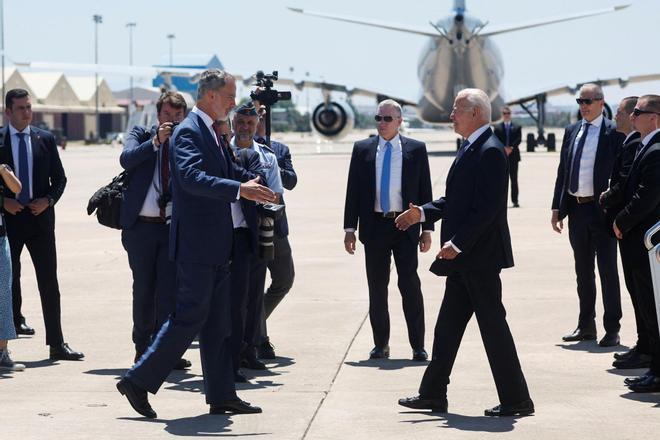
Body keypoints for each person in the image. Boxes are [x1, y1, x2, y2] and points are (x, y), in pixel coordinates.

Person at [116, 69, 276, 418]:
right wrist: (238, 189)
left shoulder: (213, 131)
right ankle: (138, 380)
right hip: (197, 245)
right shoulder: (189, 131)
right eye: (231, 95)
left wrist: (252, 181)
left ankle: (222, 394)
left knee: (220, 324)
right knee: (188, 318)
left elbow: (224, 170)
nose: (235, 102)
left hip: (218, 244)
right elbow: (191, 178)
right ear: (211, 96)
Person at [396, 88, 533, 417]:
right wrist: (423, 212)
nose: (451, 116)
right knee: (447, 328)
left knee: (493, 327)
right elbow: (456, 202)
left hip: (478, 258)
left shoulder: (490, 151)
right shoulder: (472, 147)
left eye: (457, 110)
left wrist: (457, 244)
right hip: (464, 259)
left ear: (475, 113)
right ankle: (432, 394)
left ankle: (517, 401)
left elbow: (486, 210)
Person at [343, 99, 433, 361]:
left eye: (387, 119)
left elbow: (425, 189)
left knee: (409, 285)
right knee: (377, 287)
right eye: (378, 119)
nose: (382, 124)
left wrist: (427, 229)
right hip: (374, 226)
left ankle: (418, 344)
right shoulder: (363, 149)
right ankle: (380, 344)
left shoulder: (416, 150)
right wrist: (350, 228)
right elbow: (353, 192)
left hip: (405, 225)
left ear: (399, 121)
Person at [0, 88, 83, 361]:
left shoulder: (45, 139)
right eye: (21, 108)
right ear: (8, 112)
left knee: (49, 282)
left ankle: (57, 343)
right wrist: (4, 202)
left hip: (40, 220)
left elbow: (60, 180)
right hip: (9, 221)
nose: (27, 112)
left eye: (29, 106)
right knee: (7, 283)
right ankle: (4, 347)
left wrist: (48, 200)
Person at [119, 91, 191, 370]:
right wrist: (156, 141)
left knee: (169, 293)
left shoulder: (187, 142)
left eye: (177, 116)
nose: (171, 121)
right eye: (166, 116)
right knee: (144, 290)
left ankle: (164, 351)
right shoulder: (141, 133)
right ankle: (142, 348)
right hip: (141, 228)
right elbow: (126, 159)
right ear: (157, 115)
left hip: (172, 228)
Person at [551, 83, 624, 347]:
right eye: (580, 101)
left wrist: (617, 210)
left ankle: (612, 327)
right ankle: (586, 325)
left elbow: (621, 175)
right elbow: (563, 171)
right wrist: (557, 208)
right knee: (583, 272)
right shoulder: (572, 131)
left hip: (602, 212)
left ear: (601, 102)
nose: (583, 106)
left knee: (607, 272)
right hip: (576, 210)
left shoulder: (614, 132)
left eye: (588, 101)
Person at [230, 102, 284, 371]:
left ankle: (250, 350)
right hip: (229, 234)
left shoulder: (267, 157)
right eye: (240, 122)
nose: (244, 128)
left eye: (250, 124)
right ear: (233, 122)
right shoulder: (222, 151)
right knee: (234, 299)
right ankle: (232, 353)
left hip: (257, 234)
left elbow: (276, 195)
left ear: (257, 126)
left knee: (253, 297)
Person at [613, 94, 660, 393]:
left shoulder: (656, 149)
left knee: (652, 306)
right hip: (637, 238)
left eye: (638, 112)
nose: (633, 116)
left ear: (654, 117)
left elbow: (647, 195)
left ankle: (656, 370)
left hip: (645, 240)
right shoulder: (647, 145)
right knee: (644, 302)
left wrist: (622, 220)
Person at [600, 97, 651, 369]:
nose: (621, 116)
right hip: (629, 229)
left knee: (643, 293)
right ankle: (644, 345)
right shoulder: (634, 142)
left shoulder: (638, 144)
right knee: (637, 291)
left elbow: (635, 189)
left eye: (623, 111)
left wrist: (613, 208)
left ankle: (648, 349)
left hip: (635, 231)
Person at [254, 114, 297, 360]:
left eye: (262, 115)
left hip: (276, 225)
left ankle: (252, 324)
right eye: (254, 115)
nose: (258, 120)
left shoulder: (278, 149)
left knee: (284, 279)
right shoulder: (235, 146)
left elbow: (291, 181)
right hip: (249, 227)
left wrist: (271, 160)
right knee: (253, 284)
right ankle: (260, 337)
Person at [0, 163, 25, 371]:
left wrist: (2, 171)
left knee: (4, 293)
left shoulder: (2, 167)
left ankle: (2, 352)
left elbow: (17, 188)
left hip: (0, 237)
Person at [493, 105, 522, 207]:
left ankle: (515, 201)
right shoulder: (497, 128)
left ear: (511, 114)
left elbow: (519, 139)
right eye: (504, 113)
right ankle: (501, 201)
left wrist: (511, 148)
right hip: (501, 157)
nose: (506, 115)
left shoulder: (517, 127)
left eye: (508, 113)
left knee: (514, 180)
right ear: (502, 115)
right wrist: (503, 149)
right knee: (501, 181)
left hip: (514, 157)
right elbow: (495, 140)